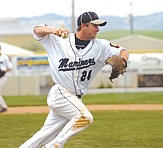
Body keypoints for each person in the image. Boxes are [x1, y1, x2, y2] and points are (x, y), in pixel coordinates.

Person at [20, 11, 129, 148]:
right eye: (94, 26)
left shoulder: (101, 46)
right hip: (60, 93)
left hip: (75, 99)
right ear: (83, 26)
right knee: (84, 117)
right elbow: (36, 30)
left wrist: (123, 60)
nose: (98, 29)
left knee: (43, 135)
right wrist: (54, 31)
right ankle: (54, 146)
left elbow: (123, 51)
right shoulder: (59, 40)